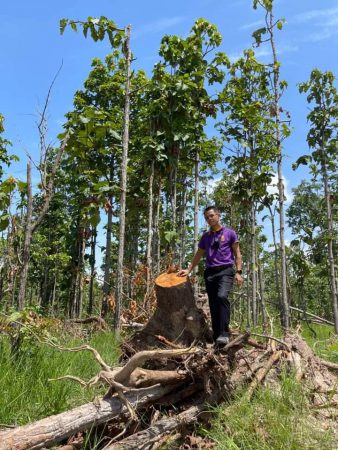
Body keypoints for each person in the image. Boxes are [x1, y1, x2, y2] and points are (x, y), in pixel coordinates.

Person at [178, 206, 243, 345]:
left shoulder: (230, 233)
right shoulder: (206, 237)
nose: (209, 219)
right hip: (210, 273)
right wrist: (188, 270)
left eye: (212, 215)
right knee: (213, 304)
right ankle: (217, 338)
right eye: (207, 217)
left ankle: (224, 333)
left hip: (226, 271)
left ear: (218, 215)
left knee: (222, 297)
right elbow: (198, 255)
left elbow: (237, 254)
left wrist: (238, 272)